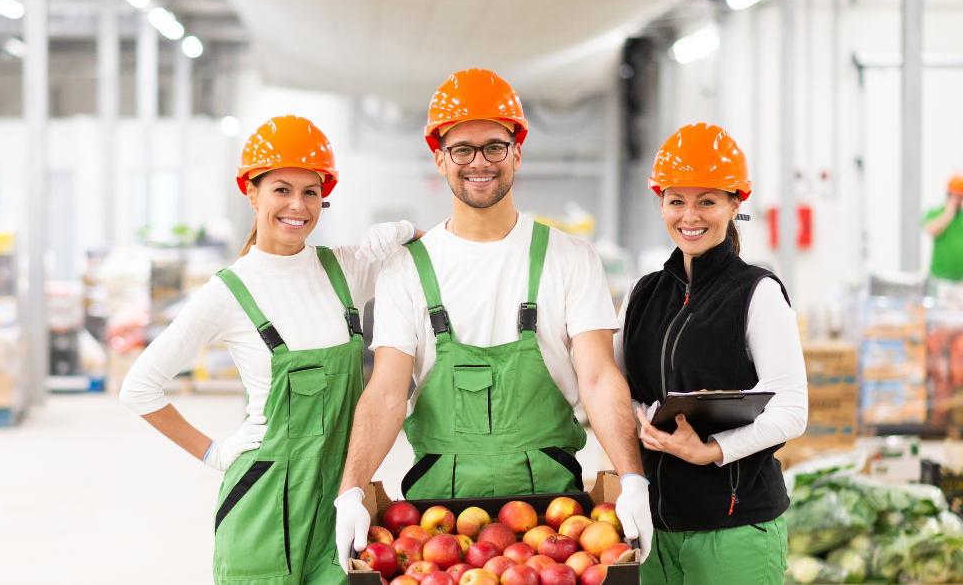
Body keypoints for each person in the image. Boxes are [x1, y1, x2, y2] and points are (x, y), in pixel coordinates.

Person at [334, 68, 654, 570]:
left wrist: (631, 477)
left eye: (494, 147)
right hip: (435, 524)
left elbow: (598, 377)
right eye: (462, 149)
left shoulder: (570, 258)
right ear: (440, 158)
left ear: (516, 153)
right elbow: (387, 393)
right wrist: (351, 490)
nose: (479, 162)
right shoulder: (407, 268)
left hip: (554, 526)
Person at [119, 115, 422, 585]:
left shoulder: (346, 268)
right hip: (262, 505)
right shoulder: (228, 292)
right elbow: (139, 388)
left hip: (342, 497)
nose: (297, 206)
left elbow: (438, 260)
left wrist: (409, 233)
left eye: (310, 192)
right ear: (251, 192)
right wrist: (215, 453)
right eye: (282, 189)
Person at [617, 123, 808, 585]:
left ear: (734, 204)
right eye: (676, 201)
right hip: (653, 531)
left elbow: (792, 410)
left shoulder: (756, 292)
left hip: (734, 531)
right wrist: (640, 422)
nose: (690, 216)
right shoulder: (642, 294)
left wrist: (712, 450)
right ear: (660, 203)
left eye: (706, 201)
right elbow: (615, 390)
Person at [924, 174, 963, 282]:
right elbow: (931, 230)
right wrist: (948, 214)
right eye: (956, 196)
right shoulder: (935, 212)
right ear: (949, 195)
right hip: (939, 278)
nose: (959, 200)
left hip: (960, 279)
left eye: (960, 197)